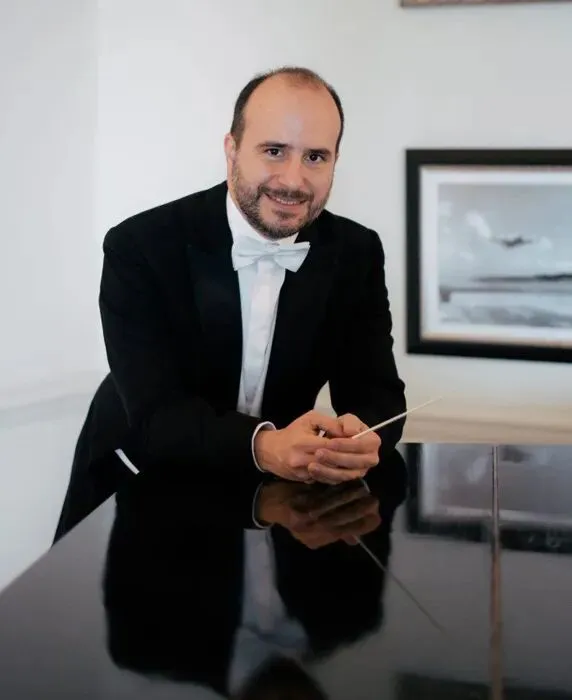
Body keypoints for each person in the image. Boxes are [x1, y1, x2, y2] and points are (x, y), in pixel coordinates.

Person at [53, 65, 406, 541]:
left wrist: (364, 437)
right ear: (232, 149)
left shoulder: (357, 252)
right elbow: (157, 416)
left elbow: (377, 391)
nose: (293, 180)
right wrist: (264, 446)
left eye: (315, 157)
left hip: (274, 499)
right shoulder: (138, 246)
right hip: (140, 481)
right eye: (274, 151)